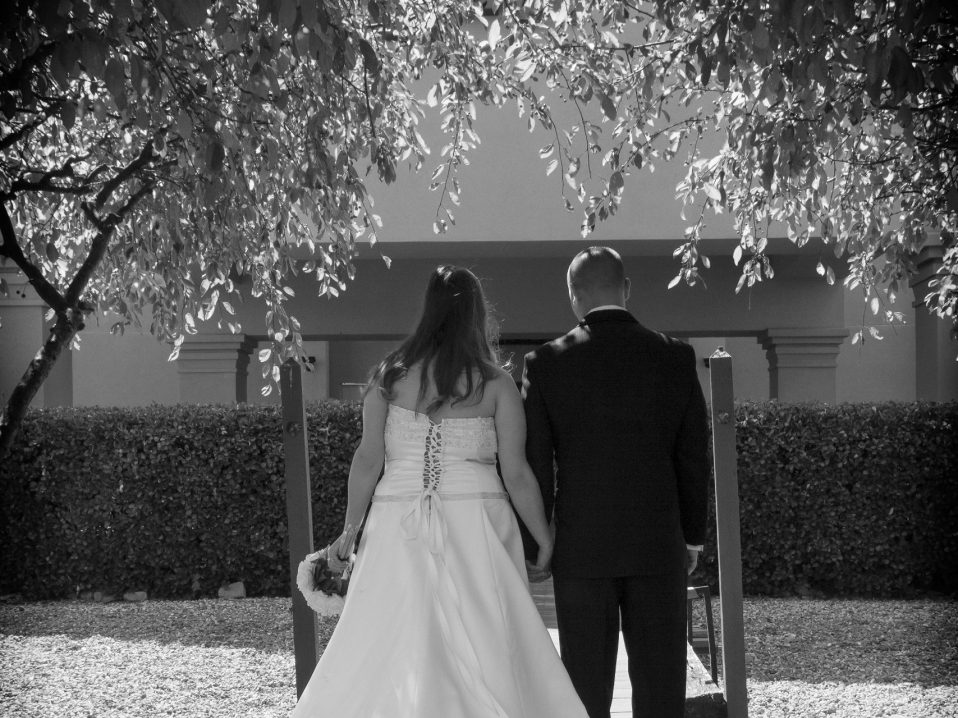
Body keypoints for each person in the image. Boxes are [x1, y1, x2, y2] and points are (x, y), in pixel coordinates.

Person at [292, 265, 588, 718]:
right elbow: (517, 472)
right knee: (488, 633)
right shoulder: (495, 383)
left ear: (427, 311)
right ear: (477, 316)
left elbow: (368, 460)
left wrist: (350, 532)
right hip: (479, 526)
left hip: (395, 525)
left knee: (391, 635)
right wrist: (544, 538)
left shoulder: (388, 379)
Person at [521, 247, 710, 718]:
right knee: (660, 683)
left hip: (582, 547)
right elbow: (692, 456)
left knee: (584, 685)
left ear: (573, 298)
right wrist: (691, 537)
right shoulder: (676, 357)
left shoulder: (545, 363)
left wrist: (537, 542)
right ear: (626, 290)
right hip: (657, 541)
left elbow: (536, 461)